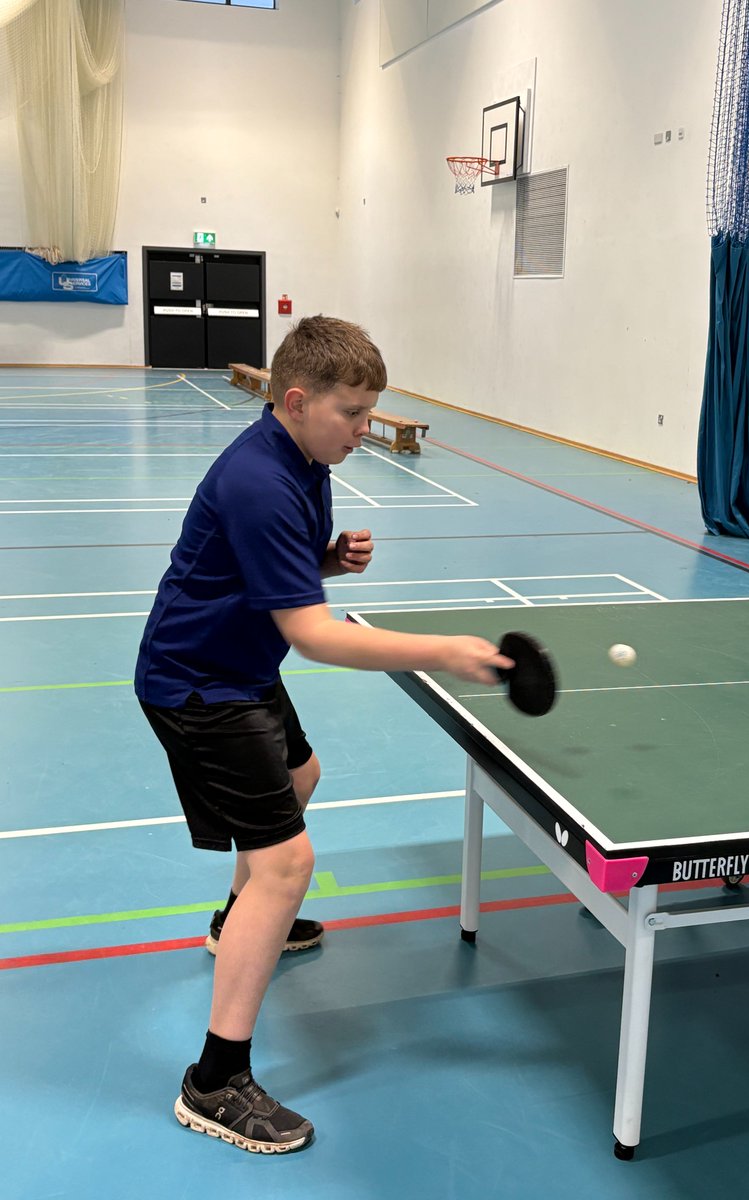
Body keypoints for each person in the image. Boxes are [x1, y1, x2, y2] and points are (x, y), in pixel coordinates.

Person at [135, 314, 511, 1155]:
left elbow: (273, 573)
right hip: (198, 684)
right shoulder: (260, 481)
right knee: (288, 862)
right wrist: (443, 649)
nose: (364, 431)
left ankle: (234, 922)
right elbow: (316, 636)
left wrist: (328, 561)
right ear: (297, 400)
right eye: (353, 414)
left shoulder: (306, 457)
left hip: (239, 665)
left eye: (371, 413)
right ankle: (215, 1080)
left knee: (300, 778)